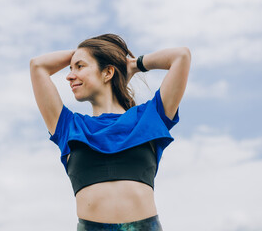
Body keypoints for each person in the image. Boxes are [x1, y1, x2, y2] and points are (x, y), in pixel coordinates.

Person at [30, 34, 191, 231]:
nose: (69, 75)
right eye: (71, 68)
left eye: (80, 66)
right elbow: (37, 66)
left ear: (108, 73)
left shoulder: (149, 117)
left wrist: (132, 64)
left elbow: (181, 56)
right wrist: (81, 55)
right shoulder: (69, 126)